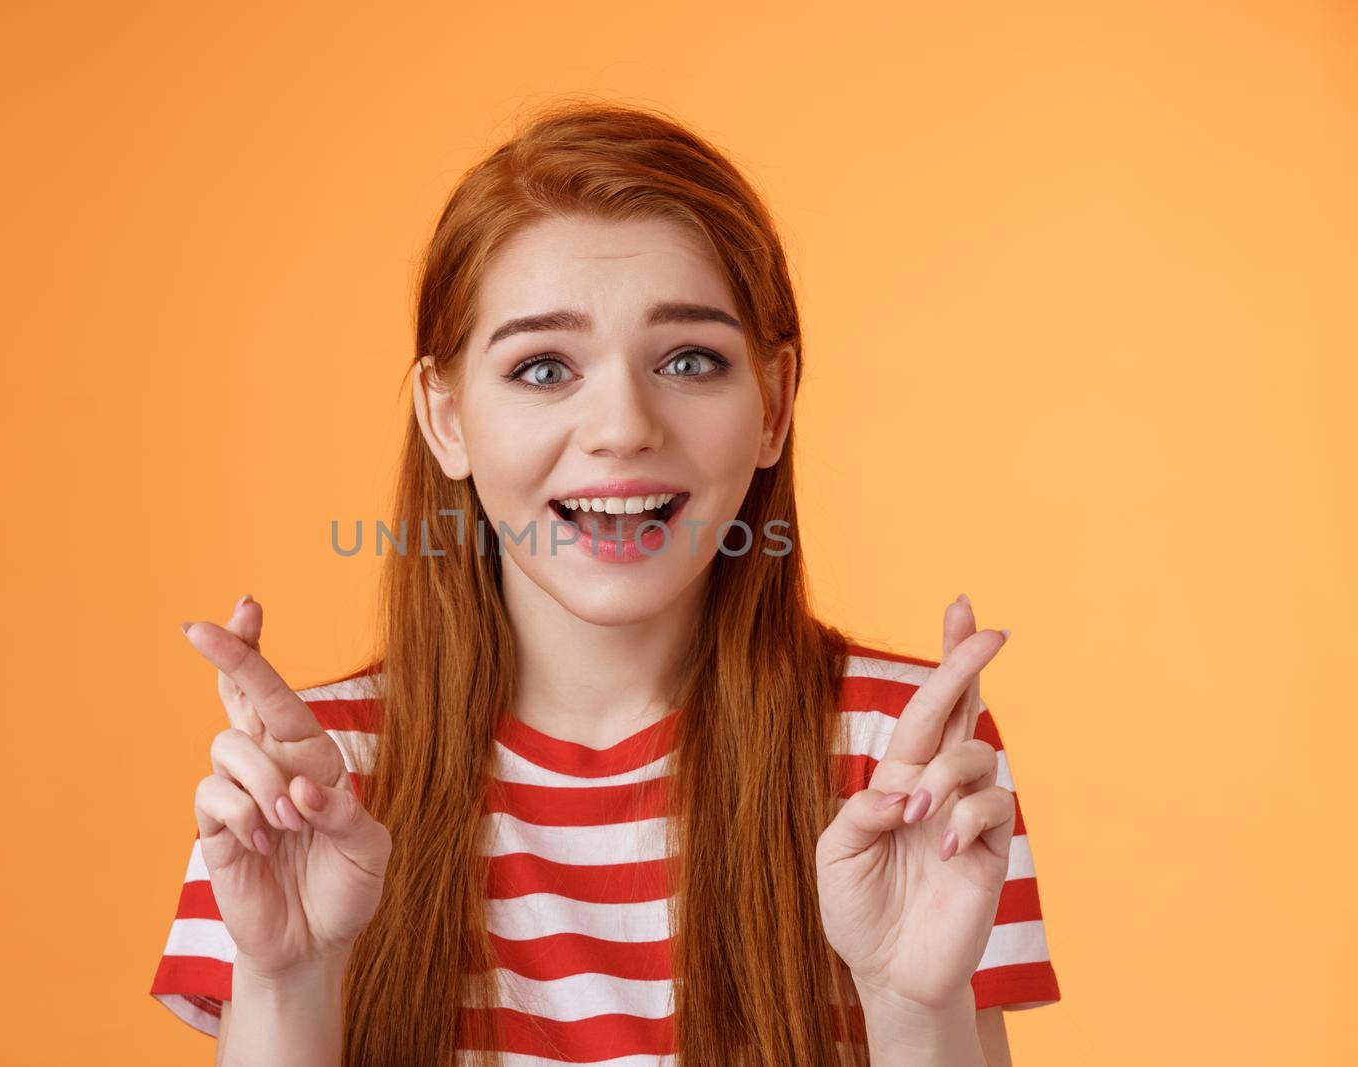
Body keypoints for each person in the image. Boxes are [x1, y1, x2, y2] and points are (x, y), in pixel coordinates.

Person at [149, 100, 1060, 1066]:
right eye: (544, 368)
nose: (623, 425)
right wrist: (291, 985)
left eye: (689, 359)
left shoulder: (900, 757)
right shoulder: (311, 782)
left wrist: (913, 1007)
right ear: (446, 417)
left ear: (775, 403)